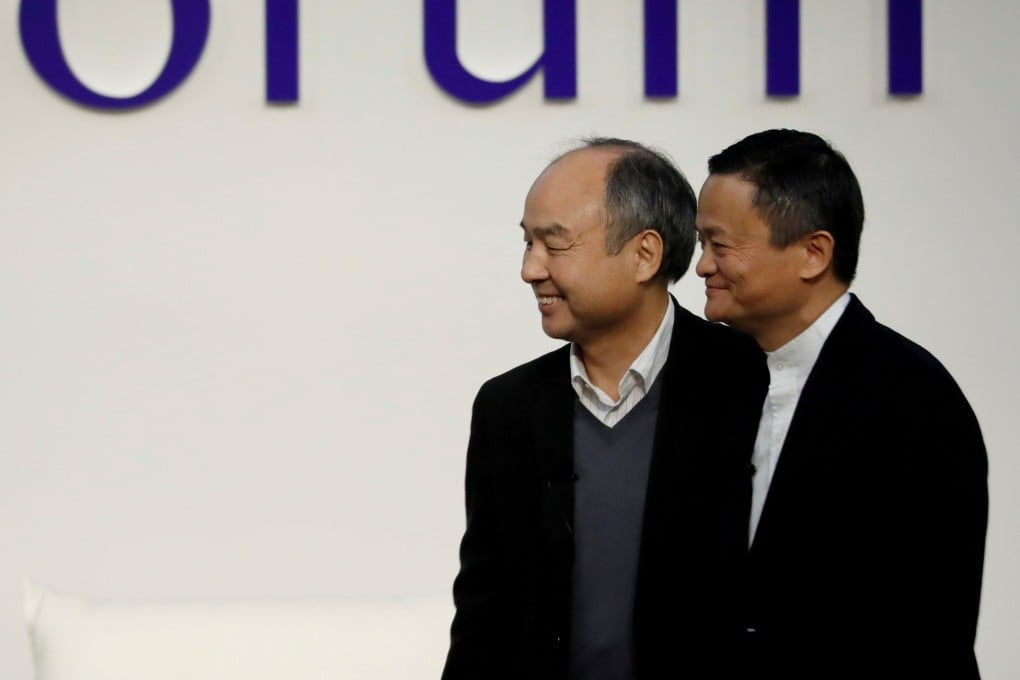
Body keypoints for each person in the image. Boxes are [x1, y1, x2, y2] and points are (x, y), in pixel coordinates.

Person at [442, 138, 767, 679]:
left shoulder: (749, 383)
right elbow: (485, 611)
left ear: (645, 255)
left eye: (555, 244)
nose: (529, 269)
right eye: (527, 244)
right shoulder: (508, 408)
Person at [694, 128, 989, 679]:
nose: (703, 266)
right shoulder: (713, 380)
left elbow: (927, 632)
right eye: (700, 244)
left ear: (813, 253)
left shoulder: (914, 400)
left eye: (721, 245)